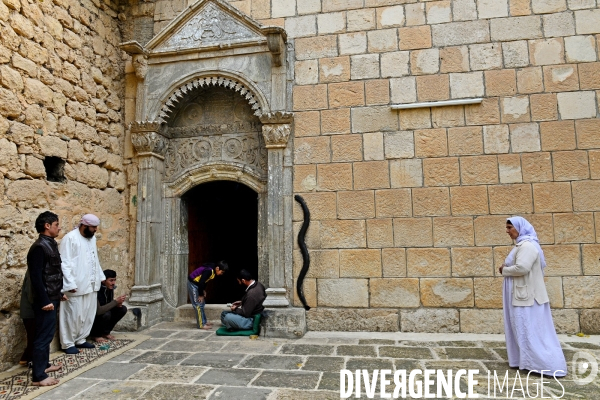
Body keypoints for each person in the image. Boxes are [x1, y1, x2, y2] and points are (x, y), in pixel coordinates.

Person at [500, 216, 567, 377]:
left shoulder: (527, 246)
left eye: (510, 227)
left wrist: (504, 270)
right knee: (522, 328)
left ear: (520, 228)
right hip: (523, 296)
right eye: (507, 228)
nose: (507, 231)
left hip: (527, 298)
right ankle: (526, 361)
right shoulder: (522, 245)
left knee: (528, 329)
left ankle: (545, 363)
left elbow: (522, 268)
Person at [26, 211, 66, 386]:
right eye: (56, 224)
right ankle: (38, 376)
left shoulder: (50, 244)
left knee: (47, 334)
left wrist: (58, 293)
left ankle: (44, 365)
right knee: (43, 336)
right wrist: (44, 301)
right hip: (45, 301)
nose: (59, 227)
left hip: (52, 296)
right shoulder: (39, 247)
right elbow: (36, 277)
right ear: (47, 226)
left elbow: (52, 273)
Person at [59, 214, 106, 354]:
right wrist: (69, 283)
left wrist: (100, 276)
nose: (96, 230)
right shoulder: (70, 238)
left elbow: (94, 258)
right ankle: (68, 343)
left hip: (91, 283)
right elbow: (64, 263)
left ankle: (81, 339)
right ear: (84, 226)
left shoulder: (92, 239)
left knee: (87, 313)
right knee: (73, 314)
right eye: (93, 227)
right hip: (76, 284)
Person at [188, 261, 228, 329]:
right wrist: (200, 295)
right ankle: (201, 325)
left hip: (198, 284)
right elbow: (201, 282)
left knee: (202, 303)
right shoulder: (209, 271)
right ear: (217, 268)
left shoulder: (212, 271)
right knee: (197, 304)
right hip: (193, 284)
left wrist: (203, 290)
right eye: (222, 272)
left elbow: (204, 281)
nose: (221, 274)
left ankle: (204, 321)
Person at [90, 269, 127, 342]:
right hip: (94, 316)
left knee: (122, 309)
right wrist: (115, 302)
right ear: (103, 281)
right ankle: (96, 335)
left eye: (114, 280)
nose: (113, 283)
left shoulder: (110, 288)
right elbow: (99, 311)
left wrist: (117, 304)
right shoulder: (97, 290)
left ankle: (105, 332)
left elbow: (109, 304)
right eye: (111, 280)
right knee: (106, 314)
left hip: (105, 313)